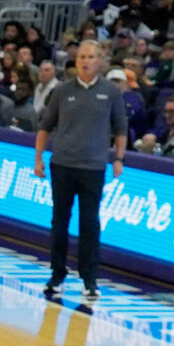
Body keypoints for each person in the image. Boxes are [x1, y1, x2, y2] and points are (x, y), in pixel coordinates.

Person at [33, 39, 127, 302]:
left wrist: (118, 158)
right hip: (62, 164)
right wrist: (38, 158)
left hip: (93, 167)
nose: (85, 61)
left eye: (91, 57)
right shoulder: (62, 91)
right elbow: (45, 126)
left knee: (89, 223)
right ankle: (57, 275)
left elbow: (120, 129)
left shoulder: (111, 92)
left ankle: (89, 278)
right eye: (81, 56)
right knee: (59, 222)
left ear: (100, 61)